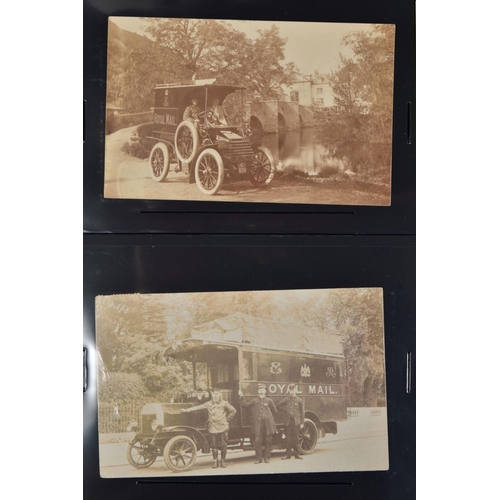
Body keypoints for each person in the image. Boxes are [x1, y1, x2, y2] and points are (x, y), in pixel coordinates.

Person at [181, 388, 236, 468]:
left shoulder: (224, 403)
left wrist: (227, 419)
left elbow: (233, 410)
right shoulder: (208, 404)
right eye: (214, 394)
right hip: (213, 427)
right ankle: (215, 462)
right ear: (212, 395)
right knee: (214, 445)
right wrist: (187, 410)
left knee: (223, 445)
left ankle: (223, 462)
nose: (215, 396)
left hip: (223, 426)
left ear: (219, 395)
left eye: (217, 394)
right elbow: (198, 407)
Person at [238, 384, 278, 464]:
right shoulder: (255, 401)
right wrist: (241, 396)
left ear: (265, 391)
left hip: (268, 425)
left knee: (268, 441)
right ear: (258, 392)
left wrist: (268, 417)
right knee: (257, 442)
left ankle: (267, 458)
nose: (261, 392)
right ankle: (258, 459)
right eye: (260, 390)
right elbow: (245, 405)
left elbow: (275, 412)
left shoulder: (269, 400)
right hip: (258, 425)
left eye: (262, 390)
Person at [277, 383, 305, 460]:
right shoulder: (286, 399)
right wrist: (285, 411)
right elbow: (278, 406)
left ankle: (297, 454)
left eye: (293, 390)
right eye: (291, 390)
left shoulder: (299, 400)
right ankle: (287, 455)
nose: (292, 392)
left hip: (296, 422)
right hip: (288, 422)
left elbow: (302, 412)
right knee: (288, 439)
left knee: (296, 438)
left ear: (295, 390)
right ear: (289, 391)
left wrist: (302, 423)